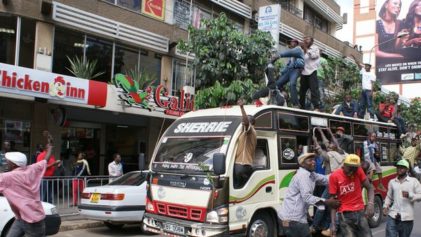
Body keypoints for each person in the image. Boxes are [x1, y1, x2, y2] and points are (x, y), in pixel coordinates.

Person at [0, 133, 53, 237]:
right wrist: (50, 146)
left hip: (33, 222)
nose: (5, 163)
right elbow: (45, 160)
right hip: (22, 218)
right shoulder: (31, 169)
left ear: (14, 164)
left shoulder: (6, 177)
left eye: (7, 162)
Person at [278, 153, 340, 237]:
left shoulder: (311, 174)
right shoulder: (303, 176)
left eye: (314, 160)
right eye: (310, 160)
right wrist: (327, 202)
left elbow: (326, 179)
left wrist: (340, 172)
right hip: (293, 219)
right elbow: (307, 197)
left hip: (292, 218)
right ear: (302, 164)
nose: (313, 162)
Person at [329, 154, 375, 237]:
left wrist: (370, 204)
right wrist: (333, 224)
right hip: (345, 216)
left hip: (360, 212)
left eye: (355, 168)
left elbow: (370, 188)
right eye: (350, 168)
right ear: (344, 165)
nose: (352, 171)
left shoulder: (358, 171)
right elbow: (333, 202)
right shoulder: (334, 176)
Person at [383, 159, 421, 237]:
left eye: (402, 167)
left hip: (407, 217)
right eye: (398, 167)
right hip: (393, 215)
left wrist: (410, 195)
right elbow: (389, 197)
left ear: (407, 169)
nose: (399, 169)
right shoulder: (392, 182)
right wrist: (385, 206)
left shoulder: (413, 181)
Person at [273, 39, 305, 107]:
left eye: (292, 42)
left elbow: (288, 53)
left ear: (296, 43)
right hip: (290, 70)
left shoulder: (298, 49)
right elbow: (288, 65)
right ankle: (283, 96)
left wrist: (278, 55)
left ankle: (296, 103)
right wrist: (281, 73)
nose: (291, 43)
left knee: (292, 84)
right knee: (277, 84)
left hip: (296, 69)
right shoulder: (292, 55)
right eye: (290, 42)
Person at [233, 99, 257, 188]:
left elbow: (246, 123)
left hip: (242, 165)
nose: (242, 122)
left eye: (244, 120)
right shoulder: (243, 132)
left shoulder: (251, 132)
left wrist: (242, 107)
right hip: (240, 166)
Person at [351, 55, 376, 120]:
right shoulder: (363, 71)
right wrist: (354, 57)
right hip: (363, 90)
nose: (366, 67)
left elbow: (373, 83)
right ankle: (361, 116)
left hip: (368, 90)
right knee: (362, 104)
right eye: (365, 65)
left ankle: (372, 117)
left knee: (369, 104)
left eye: (367, 66)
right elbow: (358, 64)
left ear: (370, 67)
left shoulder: (372, 74)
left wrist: (372, 92)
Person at [300, 36, 321, 111]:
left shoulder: (315, 48)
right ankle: (301, 106)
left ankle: (316, 107)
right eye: (305, 39)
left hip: (312, 71)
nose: (305, 40)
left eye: (308, 39)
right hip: (304, 72)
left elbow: (313, 56)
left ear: (312, 41)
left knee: (313, 90)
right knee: (302, 90)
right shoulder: (302, 49)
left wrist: (305, 48)